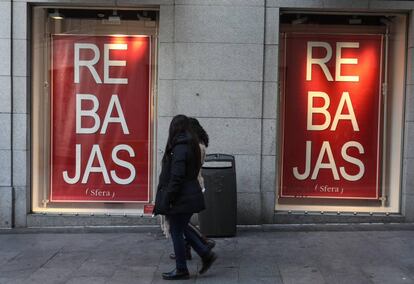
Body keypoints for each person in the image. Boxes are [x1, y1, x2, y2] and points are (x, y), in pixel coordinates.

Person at [154, 114, 217, 280]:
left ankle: (182, 268)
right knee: (180, 228)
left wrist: (168, 198)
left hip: (182, 197)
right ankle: (204, 252)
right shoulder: (190, 145)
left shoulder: (181, 147)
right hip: (188, 195)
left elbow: (177, 177)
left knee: (176, 230)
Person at [169, 117, 216, 260]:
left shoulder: (195, 146)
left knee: (180, 223)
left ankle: (202, 244)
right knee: (181, 222)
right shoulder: (198, 144)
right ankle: (189, 248)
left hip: (191, 186)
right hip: (194, 185)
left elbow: (182, 171)